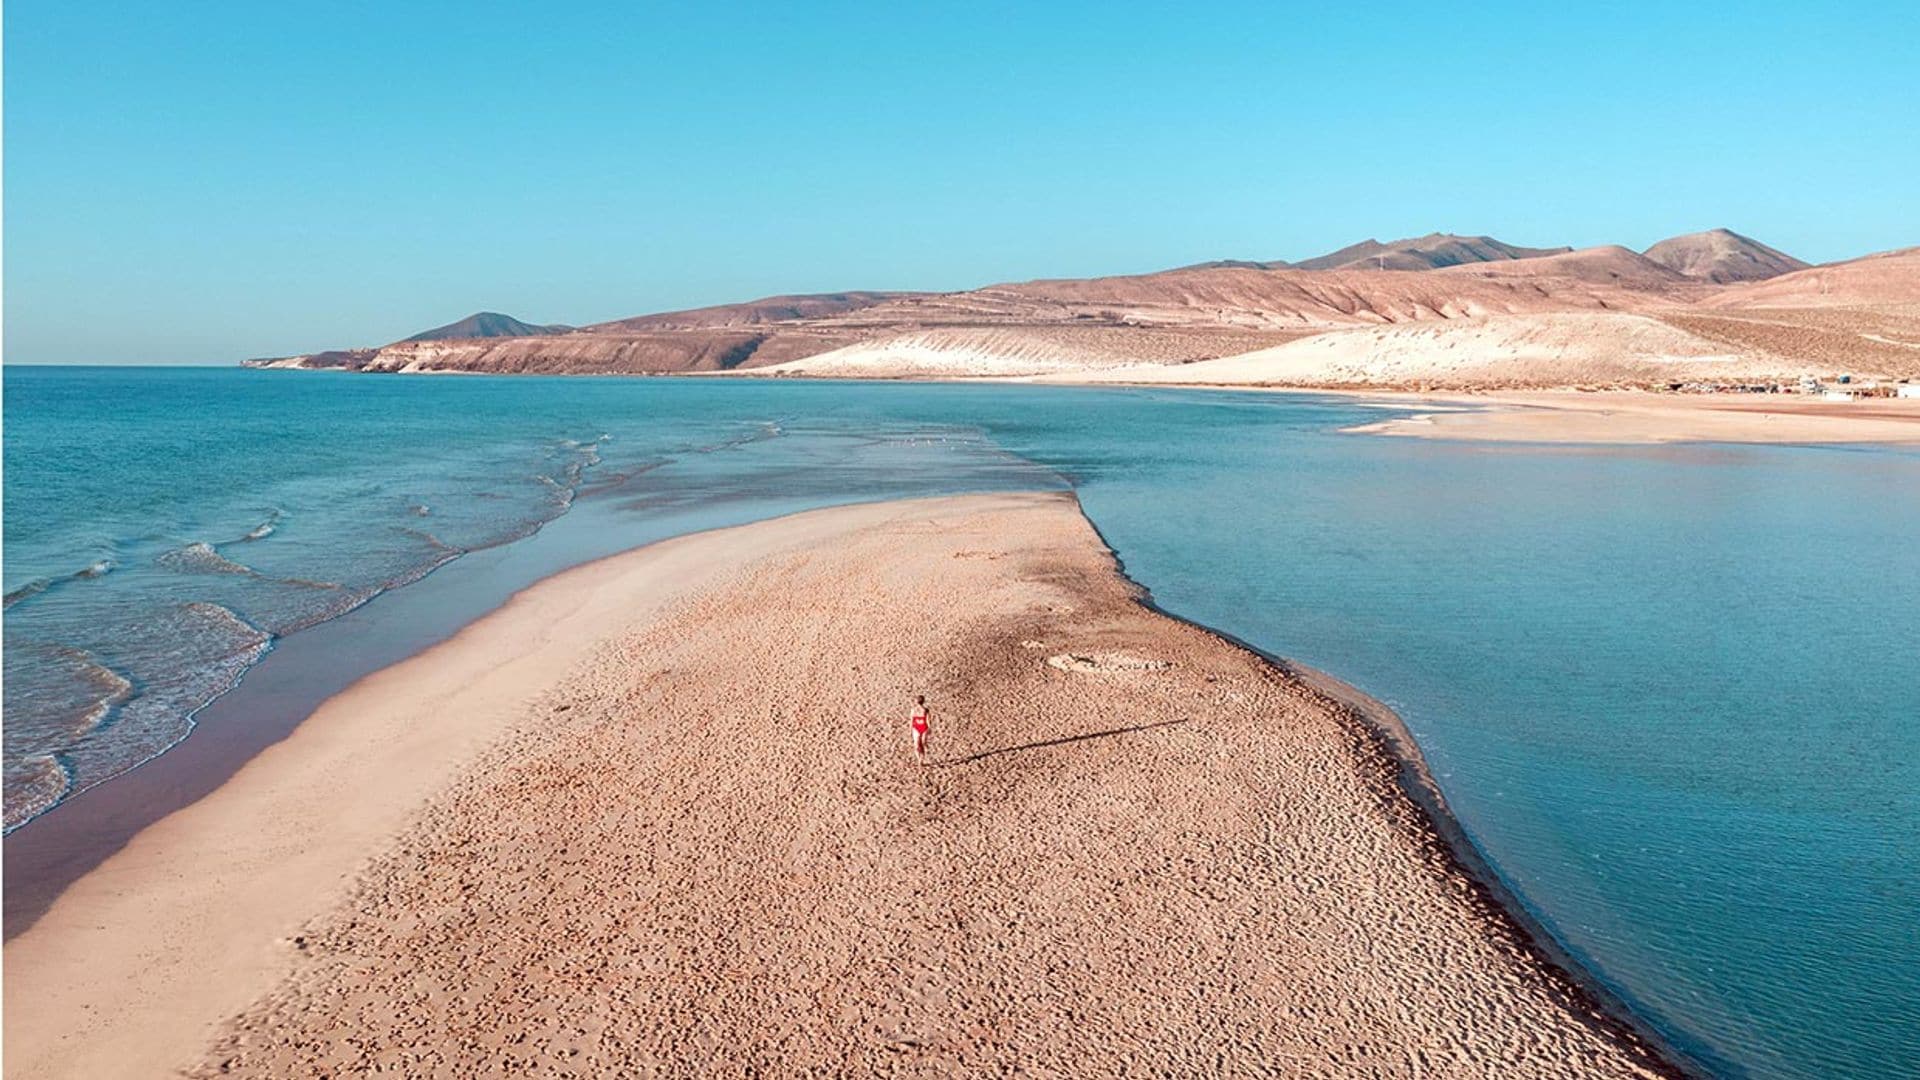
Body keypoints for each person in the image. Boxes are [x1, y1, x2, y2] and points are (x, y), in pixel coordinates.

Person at [910, 695, 930, 762]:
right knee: (920, 744)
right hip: (920, 727)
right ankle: (920, 759)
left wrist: (911, 728)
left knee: (919, 744)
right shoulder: (915, 710)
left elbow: (911, 720)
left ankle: (920, 759)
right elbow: (928, 721)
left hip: (919, 727)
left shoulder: (924, 710)